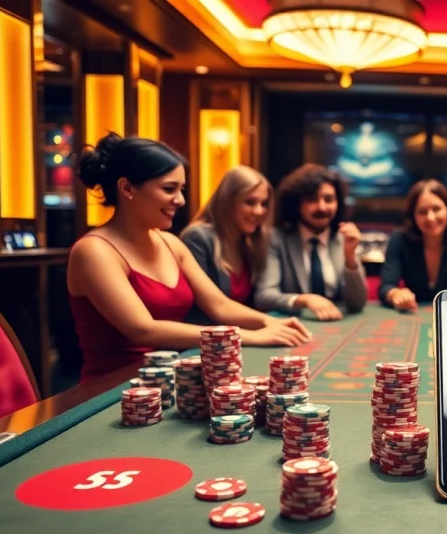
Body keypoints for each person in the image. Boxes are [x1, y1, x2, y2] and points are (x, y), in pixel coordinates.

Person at [67, 132, 311, 382]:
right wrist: (247, 336)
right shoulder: (93, 251)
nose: (181, 200)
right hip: (114, 388)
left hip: (173, 376)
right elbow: (143, 329)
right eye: (169, 189)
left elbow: (220, 305)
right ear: (127, 188)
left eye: (181, 189)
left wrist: (268, 323)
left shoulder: (171, 243)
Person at [254, 163, 368, 320]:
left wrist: (350, 257)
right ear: (296, 204)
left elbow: (357, 303)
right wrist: (306, 300)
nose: (322, 207)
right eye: (312, 199)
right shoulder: (277, 238)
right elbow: (264, 295)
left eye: (329, 199)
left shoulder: (343, 237)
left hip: (337, 323)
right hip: (294, 324)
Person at [181, 165, 272, 324]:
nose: (259, 211)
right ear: (227, 202)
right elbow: (210, 308)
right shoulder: (198, 237)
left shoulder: (250, 244)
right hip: (205, 335)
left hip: (239, 333)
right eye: (250, 202)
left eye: (264, 204)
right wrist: (267, 323)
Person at [378, 179, 447, 311]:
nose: (430, 217)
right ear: (413, 216)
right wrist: (395, 294)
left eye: (436, 209)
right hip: (411, 313)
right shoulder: (399, 239)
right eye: (422, 211)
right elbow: (386, 287)